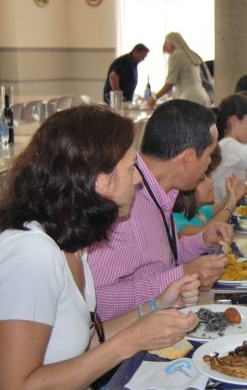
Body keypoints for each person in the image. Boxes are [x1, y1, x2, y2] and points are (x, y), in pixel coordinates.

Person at [0, 106, 210, 390]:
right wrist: (130, 342)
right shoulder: (30, 257)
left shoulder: (72, 248)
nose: (138, 179)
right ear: (99, 181)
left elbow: (83, 343)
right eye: (131, 168)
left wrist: (156, 305)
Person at [88, 100, 232, 320]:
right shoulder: (125, 203)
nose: (209, 163)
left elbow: (158, 260)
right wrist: (181, 275)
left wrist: (200, 241)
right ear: (188, 158)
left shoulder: (160, 190)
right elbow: (99, 302)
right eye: (209, 154)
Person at [174, 147, 245, 237]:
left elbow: (222, 206)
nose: (210, 182)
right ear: (185, 187)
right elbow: (204, 234)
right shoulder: (174, 220)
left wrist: (233, 195)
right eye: (202, 179)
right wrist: (230, 205)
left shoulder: (201, 211)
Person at [147, 32, 210, 108]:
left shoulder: (176, 56)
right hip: (203, 95)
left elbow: (170, 83)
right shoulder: (190, 54)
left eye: (166, 45)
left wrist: (155, 98)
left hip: (189, 98)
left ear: (171, 44)